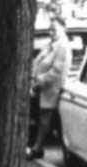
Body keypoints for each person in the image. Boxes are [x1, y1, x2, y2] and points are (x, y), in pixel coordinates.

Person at [28, 16, 72, 158]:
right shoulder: (49, 44)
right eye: (49, 29)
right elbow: (38, 62)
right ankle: (34, 145)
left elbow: (57, 72)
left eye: (54, 29)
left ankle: (38, 147)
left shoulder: (63, 47)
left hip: (52, 88)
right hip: (40, 86)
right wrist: (33, 78)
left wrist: (38, 82)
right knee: (38, 118)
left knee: (45, 120)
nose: (51, 32)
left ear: (63, 29)